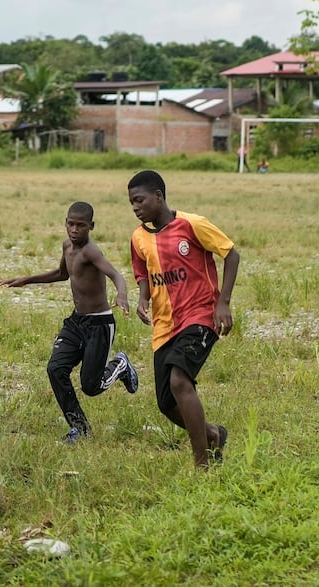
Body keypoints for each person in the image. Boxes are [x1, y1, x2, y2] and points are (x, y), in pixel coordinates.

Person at [0, 201, 138, 443]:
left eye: (81, 226)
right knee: (55, 369)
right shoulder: (67, 246)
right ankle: (80, 428)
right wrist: (26, 280)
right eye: (70, 224)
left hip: (99, 324)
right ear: (65, 223)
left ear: (91, 227)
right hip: (76, 322)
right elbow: (62, 274)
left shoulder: (91, 252)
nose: (74, 230)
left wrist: (122, 295)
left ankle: (120, 364)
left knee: (91, 387)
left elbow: (115, 274)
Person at [128, 170, 238, 470]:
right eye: (131, 203)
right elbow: (142, 271)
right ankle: (212, 434)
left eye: (140, 200)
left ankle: (202, 465)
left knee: (180, 380)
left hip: (201, 315)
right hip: (165, 325)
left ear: (158, 196)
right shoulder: (138, 237)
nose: (136, 208)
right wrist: (142, 298)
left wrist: (223, 302)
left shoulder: (192, 224)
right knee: (166, 403)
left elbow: (231, 254)